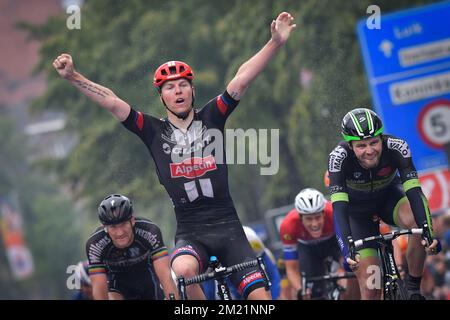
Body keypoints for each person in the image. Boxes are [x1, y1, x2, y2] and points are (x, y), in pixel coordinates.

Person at [54, 12, 295, 300]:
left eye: (183, 85)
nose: (177, 90)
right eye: (169, 87)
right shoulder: (152, 130)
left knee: (261, 301)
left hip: (230, 229)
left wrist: (275, 43)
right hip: (191, 232)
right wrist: (73, 76)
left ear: (193, 90)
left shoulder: (212, 117)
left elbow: (241, 79)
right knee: (181, 270)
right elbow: (111, 101)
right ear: (162, 97)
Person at [328, 107, 439, 300]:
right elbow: (339, 208)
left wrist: (427, 231)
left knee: (418, 224)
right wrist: (348, 249)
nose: (369, 151)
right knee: (372, 287)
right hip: (358, 215)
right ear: (350, 146)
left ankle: (413, 288)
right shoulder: (338, 159)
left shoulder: (398, 147)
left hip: (390, 200)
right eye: (361, 146)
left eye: (373, 142)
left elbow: (414, 192)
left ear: (381, 138)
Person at [85, 194, 178, 300]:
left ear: (132, 220)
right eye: (113, 227)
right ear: (104, 227)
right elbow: (99, 289)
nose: (120, 233)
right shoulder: (95, 244)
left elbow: (166, 277)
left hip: (149, 281)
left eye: (124, 224)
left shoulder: (149, 231)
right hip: (117, 286)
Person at [279, 188, 359, 299]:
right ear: (300, 218)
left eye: (318, 217)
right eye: (309, 219)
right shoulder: (288, 225)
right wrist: (300, 290)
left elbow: (346, 246)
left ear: (324, 214)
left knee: (350, 277)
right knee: (310, 292)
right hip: (308, 249)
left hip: (334, 243)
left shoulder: (333, 213)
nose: (315, 224)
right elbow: (292, 269)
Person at [202, 225, 281, 300]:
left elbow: (273, 276)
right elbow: (211, 282)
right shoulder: (217, 246)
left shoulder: (251, 238)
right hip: (225, 265)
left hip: (254, 256)